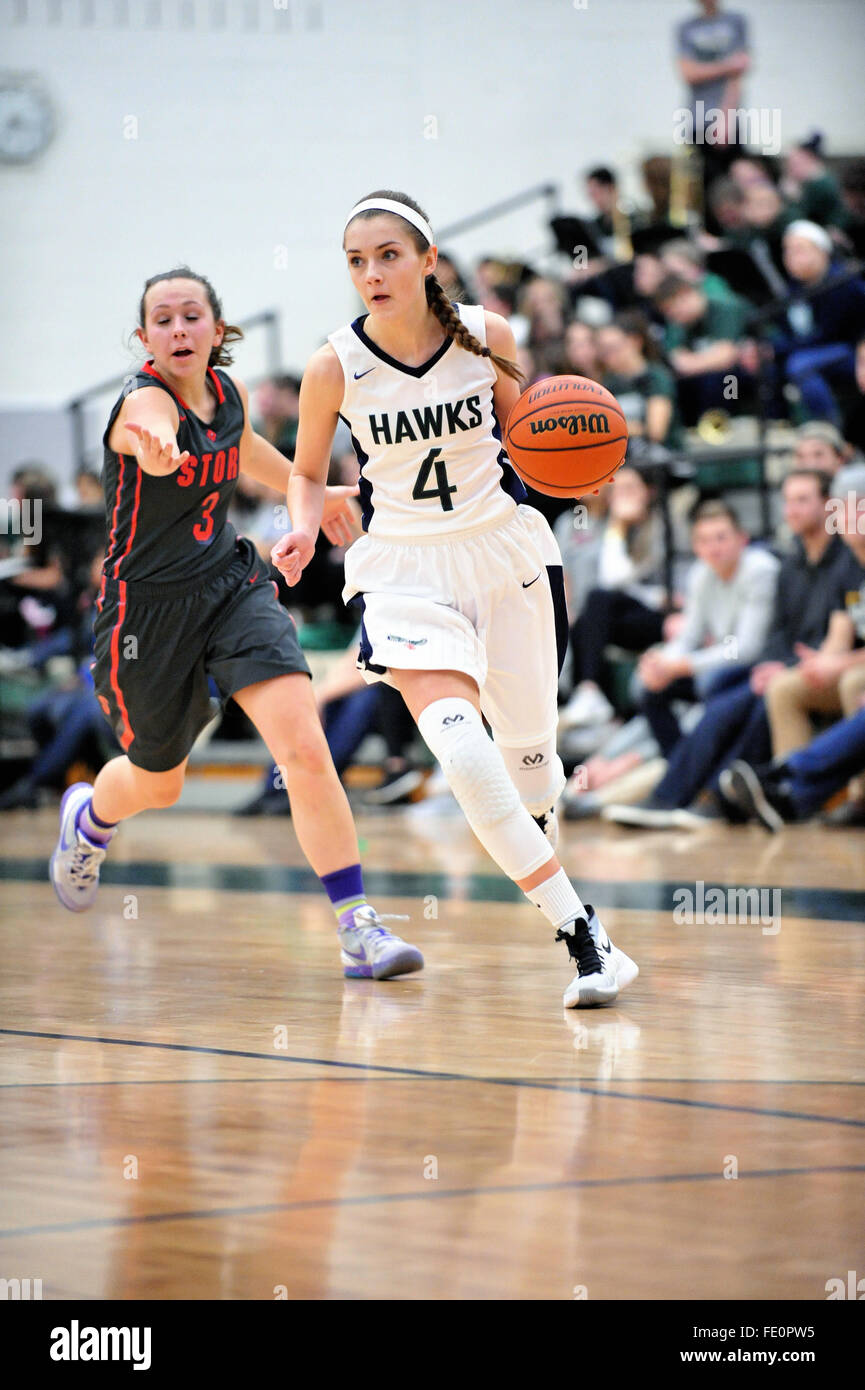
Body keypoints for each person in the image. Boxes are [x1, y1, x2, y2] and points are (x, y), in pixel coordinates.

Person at [270, 189, 639, 1009]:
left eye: (388, 255)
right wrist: (301, 525)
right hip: (402, 574)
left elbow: (534, 441)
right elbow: (302, 470)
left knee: (529, 767)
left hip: (502, 558)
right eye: (356, 261)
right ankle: (584, 940)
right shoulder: (334, 362)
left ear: (427, 260)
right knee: (467, 761)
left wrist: (583, 467)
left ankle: (549, 850)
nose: (371, 273)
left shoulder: (489, 337)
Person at [48, 266, 423, 983]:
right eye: (163, 320)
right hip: (144, 616)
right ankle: (91, 818)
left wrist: (304, 488)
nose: (179, 329)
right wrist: (158, 446)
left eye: (192, 315)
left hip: (230, 586)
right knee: (160, 783)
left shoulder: (228, 393)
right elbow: (149, 429)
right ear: (144, 339)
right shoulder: (138, 407)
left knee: (304, 750)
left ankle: (357, 926)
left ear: (217, 331)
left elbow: (244, 448)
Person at [603, 471, 859, 827]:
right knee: (659, 690)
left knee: (732, 700)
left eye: (803, 500)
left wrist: (780, 666)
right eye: (788, 500)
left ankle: (703, 798)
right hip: (768, 664)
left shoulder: (801, 565)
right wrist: (664, 660)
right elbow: (777, 634)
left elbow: (756, 645)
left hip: (777, 665)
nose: (792, 509)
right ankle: (689, 788)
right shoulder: (793, 563)